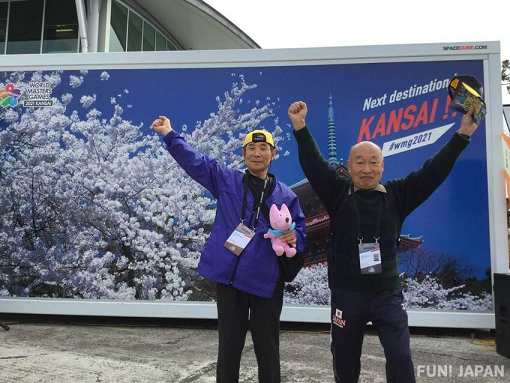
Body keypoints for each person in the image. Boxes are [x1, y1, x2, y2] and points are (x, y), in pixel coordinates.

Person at [288, 100, 480, 383]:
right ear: (350, 166)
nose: (366, 168)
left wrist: (462, 134)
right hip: (347, 294)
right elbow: (315, 165)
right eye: (360, 162)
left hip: (387, 294)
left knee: (401, 356)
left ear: (382, 165)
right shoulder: (337, 192)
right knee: (345, 359)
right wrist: (301, 128)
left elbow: (434, 170)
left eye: (373, 162)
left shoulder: (397, 195)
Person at [152, 116, 306, 383]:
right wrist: (169, 134)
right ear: (243, 153)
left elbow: (300, 232)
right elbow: (196, 162)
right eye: (251, 149)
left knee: (268, 349)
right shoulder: (227, 181)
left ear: (273, 154)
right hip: (231, 281)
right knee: (229, 349)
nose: (257, 154)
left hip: (266, 282)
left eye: (263, 149)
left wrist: (296, 236)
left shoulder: (286, 195)